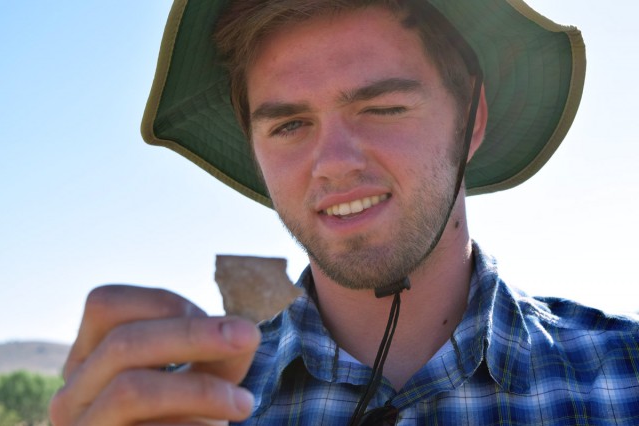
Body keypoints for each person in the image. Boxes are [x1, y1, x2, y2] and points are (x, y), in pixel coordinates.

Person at [49, 0, 639, 425]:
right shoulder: (183, 405)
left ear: (472, 119)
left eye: (382, 108)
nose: (331, 164)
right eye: (289, 125)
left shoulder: (624, 374)